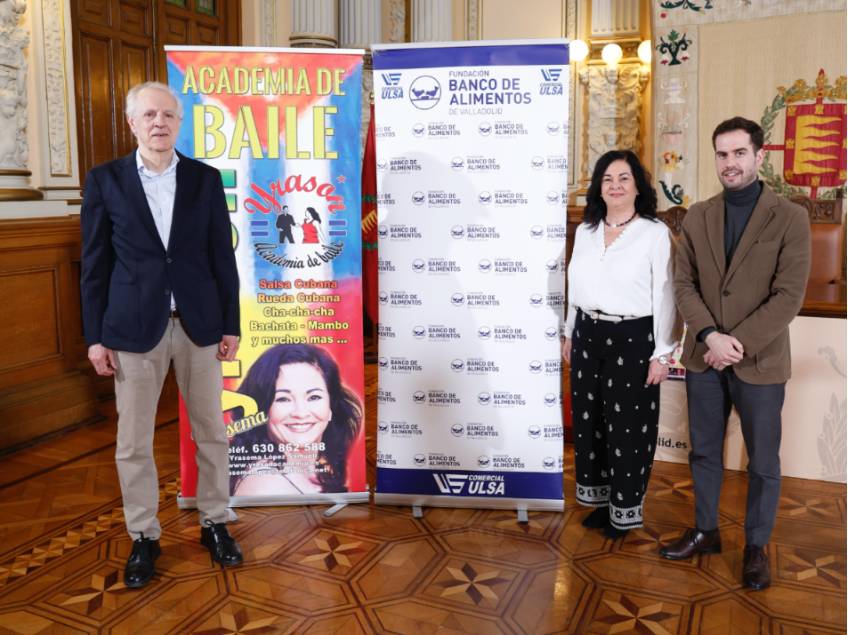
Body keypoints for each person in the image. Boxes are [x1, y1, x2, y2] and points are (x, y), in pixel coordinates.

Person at [80, 81, 243, 589]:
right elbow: (94, 266)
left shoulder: (205, 179)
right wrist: (94, 337)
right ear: (132, 123)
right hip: (132, 331)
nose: (159, 123)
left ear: (179, 123)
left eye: (168, 115)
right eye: (149, 115)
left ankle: (214, 521)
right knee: (133, 441)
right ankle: (144, 535)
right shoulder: (104, 180)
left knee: (211, 431)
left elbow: (222, 257)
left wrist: (231, 324)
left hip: (200, 327)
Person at [659, 117, 811, 589]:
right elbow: (683, 283)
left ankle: (755, 547)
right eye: (722, 154)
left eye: (739, 153)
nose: (730, 162)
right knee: (704, 451)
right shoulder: (698, 215)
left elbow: (788, 296)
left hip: (759, 361)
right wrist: (709, 335)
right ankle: (706, 531)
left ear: (759, 155)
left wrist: (734, 343)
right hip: (704, 356)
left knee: (762, 462)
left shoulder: (790, 217)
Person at [562, 149, 676, 539]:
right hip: (587, 334)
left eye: (624, 178)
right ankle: (600, 502)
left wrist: (663, 352)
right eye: (607, 179)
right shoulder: (586, 230)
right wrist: (569, 331)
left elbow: (666, 295)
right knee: (590, 421)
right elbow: (575, 285)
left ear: (638, 186)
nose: (615, 185)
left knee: (628, 427)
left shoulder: (654, 233)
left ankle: (624, 511)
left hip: (633, 338)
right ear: (599, 187)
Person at [229, 344, 362, 495]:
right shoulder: (266, 485)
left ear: (331, 407)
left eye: (313, 397)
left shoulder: (314, 472)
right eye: (283, 399)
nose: (300, 413)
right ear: (262, 411)